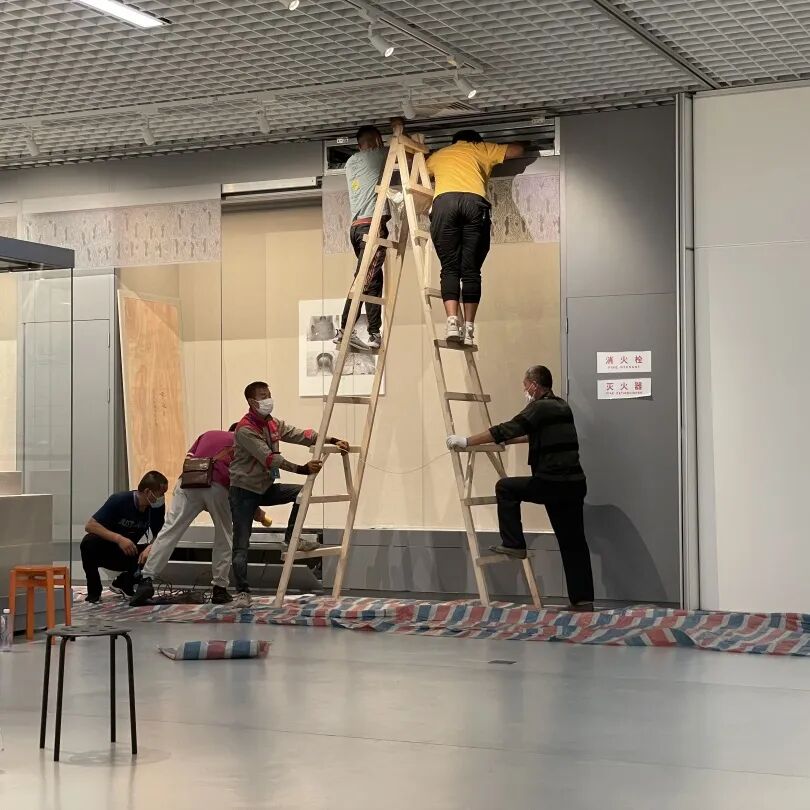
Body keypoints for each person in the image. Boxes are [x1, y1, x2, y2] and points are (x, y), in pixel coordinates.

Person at [446, 365, 594, 611]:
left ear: (534, 385)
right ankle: (583, 601)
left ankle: (514, 543)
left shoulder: (538, 408)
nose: (524, 390)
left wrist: (466, 441)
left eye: (525, 386)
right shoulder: (561, 406)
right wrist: (507, 441)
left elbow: (507, 427)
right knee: (573, 542)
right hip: (574, 484)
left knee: (506, 487)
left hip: (552, 483)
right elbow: (533, 434)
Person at [229, 381, 350, 608]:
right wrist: (301, 469)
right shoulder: (245, 429)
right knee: (241, 543)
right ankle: (242, 592)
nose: (268, 399)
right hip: (243, 491)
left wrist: (331, 440)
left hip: (264, 487)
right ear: (252, 402)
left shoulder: (272, 423)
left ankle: (292, 537)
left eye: (269, 394)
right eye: (263, 396)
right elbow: (269, 458)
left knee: (301, 492)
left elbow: (300, 434)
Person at [129, 425, 273, 607]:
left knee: (170, 530)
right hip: (219, 485)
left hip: (188, 482)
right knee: (224, 536)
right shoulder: (244, 443)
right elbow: (243, 483)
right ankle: (219, 589)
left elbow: (189, 460)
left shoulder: (207, 434)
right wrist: (253, 509)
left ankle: (146, 580)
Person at [427, 130, 525, 347]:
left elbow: (419, 170)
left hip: (444, 204)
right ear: (475, 140)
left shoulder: (440, 155)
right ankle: (469, 329)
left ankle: (452, 323)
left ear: (454, 141)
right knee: (471, 271)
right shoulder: (482, 149)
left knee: (449, 268)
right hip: (474, 204)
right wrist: (523, 140)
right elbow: (517, 150)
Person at [334, 118, 405, 353]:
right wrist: (399, 130)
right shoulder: (376, 155)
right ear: (376, 141)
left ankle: (374, 332)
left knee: (372, 280)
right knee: (363, 279)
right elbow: (400, 148)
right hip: (371, 227)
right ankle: (345, 329)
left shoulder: (351, 162)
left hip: (356, 228)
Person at [80, 471, 169, 604]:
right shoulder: (120, 500)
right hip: (108, 549)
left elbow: (160, 533)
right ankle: (94, 592)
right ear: (147, 491)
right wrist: (119, 539)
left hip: (129, 552)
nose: (162, 497)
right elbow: (90, 525)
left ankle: (124, 583)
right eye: (160, 493)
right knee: (88, 542)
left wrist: (151, 546)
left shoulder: (156, 507)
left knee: (161, 548)